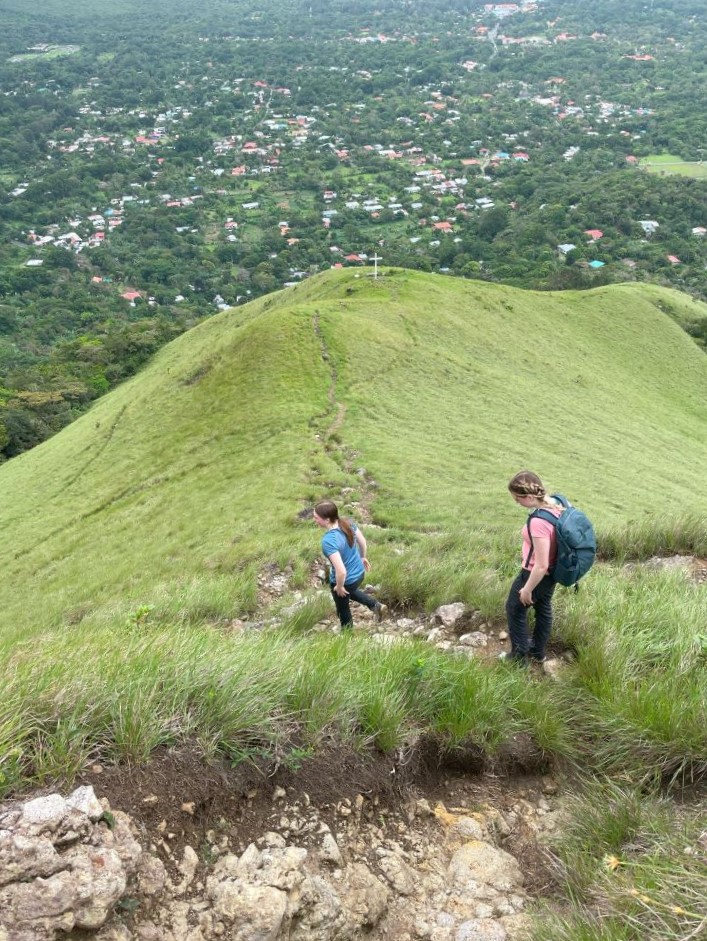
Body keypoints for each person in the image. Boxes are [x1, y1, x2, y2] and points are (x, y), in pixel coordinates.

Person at [502, 470, 563, 665]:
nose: (516, 502)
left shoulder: (538, 521)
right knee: (543, 607)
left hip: (535, 573)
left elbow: (541, 564)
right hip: (554, 572)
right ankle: (538, 651)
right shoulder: (556, 505)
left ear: (529, 497)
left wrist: (527, 588)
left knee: (514, 609)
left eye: (517, 498)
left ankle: (518, 659)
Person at [313, 500, 386, 630]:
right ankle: (376, 606)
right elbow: (363, 542)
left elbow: (341, 571)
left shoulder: (329, 541)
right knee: (349, 591)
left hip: (346, 579)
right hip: (359, 574)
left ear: (327, 519)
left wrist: (339, 586)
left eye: (316, 517)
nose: (314, 520)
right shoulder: (347, 523)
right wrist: (362, 557)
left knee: (343, 609)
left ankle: (347, 635)